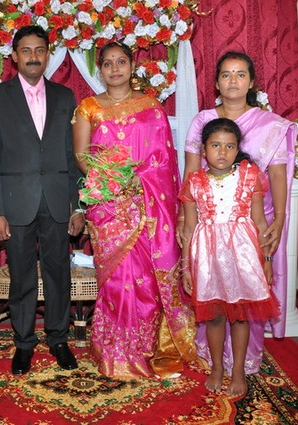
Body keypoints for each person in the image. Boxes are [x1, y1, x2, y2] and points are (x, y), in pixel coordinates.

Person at [72, 41, 196, 378]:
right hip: (108, 207)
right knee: (116, 281)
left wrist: (138, 183)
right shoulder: (88, 108)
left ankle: (146, 348)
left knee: (146, 280)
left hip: (147, 205)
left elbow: (165, 161)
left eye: (121, 62)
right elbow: (82, 156)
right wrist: (111, 181)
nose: (115, 69)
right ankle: (115, 351)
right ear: (100, 70)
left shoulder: (151, 106)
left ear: (132, 66)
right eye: (108, 63)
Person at [182, 51, 297, 375]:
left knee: (248, 296)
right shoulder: (202, 120)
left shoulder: (270, 124)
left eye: (240, 74)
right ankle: (214, 359)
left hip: (251, 219)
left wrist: (278, 220)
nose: (233, 81)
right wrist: (183, 218)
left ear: (252, 82)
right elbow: (191, 171)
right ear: (217, 83)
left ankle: (244, 363)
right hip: (209, 219)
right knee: (213, 296)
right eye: (226, 74)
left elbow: (277, 175)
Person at [0, 25, 85, 375]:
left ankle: (58, 339)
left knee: (58, 273)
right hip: (15, 203)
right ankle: (24, 343)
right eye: (26, 50)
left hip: (56, 201)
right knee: (22, 275)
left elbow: (71, 156)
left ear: (47, 54)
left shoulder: (64, 96)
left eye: (39, 50)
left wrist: (77, 206)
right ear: (14, 56)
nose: (33, 57)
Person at [179, 118, 280, 396]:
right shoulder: (194, 183)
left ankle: (237, 371)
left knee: (240, 316)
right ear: (204, 150)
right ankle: (216, 368)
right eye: (215, 146)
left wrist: (267, 261)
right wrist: (187, 267)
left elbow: (260, 223)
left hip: (243, 257)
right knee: (214, 316)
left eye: (229, 146)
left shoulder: (249, 177)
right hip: (208, 259)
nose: (222, 152)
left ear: (237, 149)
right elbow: (189, 229)